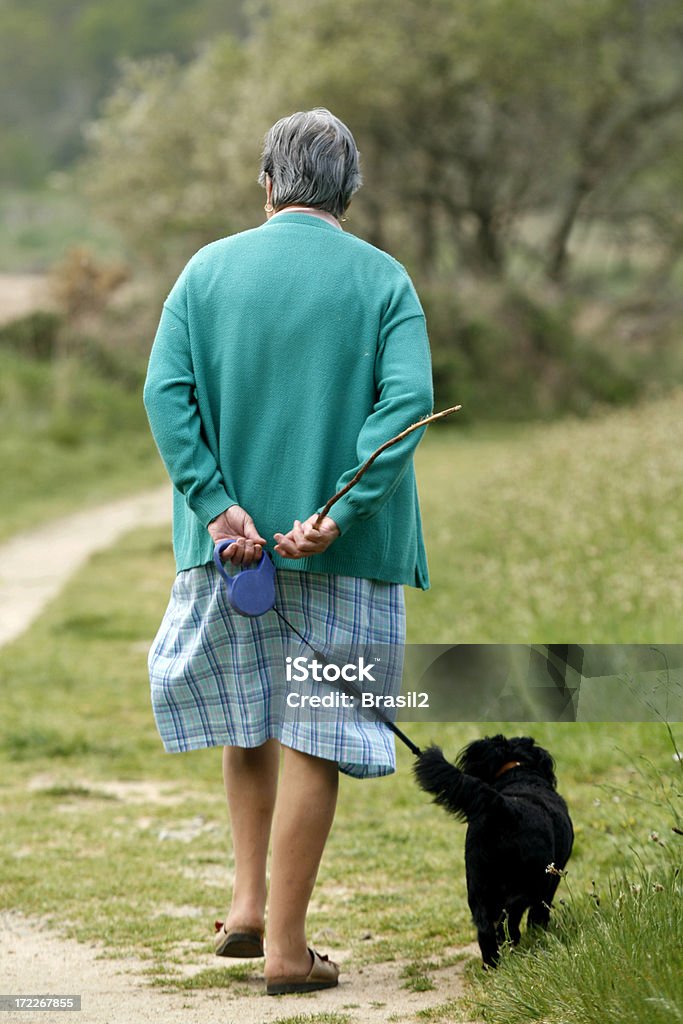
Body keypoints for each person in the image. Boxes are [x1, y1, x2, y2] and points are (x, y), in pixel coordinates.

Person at [143, 108, 433, 995]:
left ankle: (246, 905)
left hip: (231, 552)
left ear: (267, 183)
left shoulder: (204, 271)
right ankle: (287, 950)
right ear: (348, 189)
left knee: (246, 716)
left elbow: (166, 393)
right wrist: (338, 512)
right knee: (317, 733)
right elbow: (406, 405)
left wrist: (217, 504)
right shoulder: (384, 281)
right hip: (346, 549)